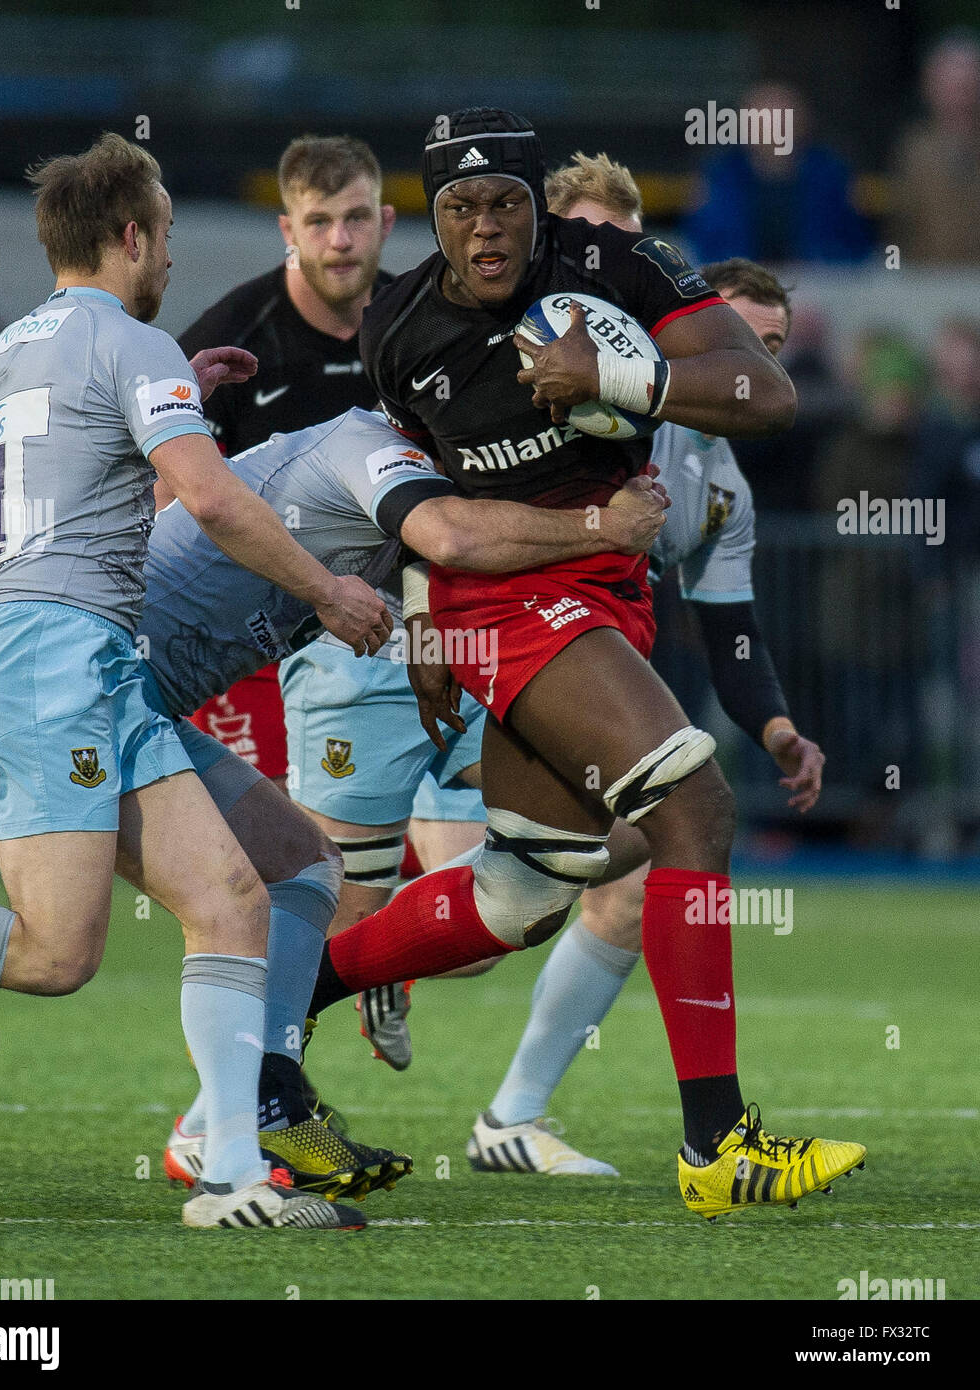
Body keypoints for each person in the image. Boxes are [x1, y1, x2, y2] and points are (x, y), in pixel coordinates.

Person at [301, 108, 866, 1221]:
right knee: (692, 808)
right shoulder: (401, 328)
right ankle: (719, 1143)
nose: (484, 228)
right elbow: (407, 490)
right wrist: (422, 613)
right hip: (504, 593)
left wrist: (624, 376)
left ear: (535, 205)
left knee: (524, 888)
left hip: (598, 588)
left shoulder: (613, 266)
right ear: (434, 214)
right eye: (458, 208)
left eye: (503, 203)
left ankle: (284, 998)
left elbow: (773, 394)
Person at [0, 405, 665, 1198]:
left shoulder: (394, 476)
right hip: (83, 688)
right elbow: (453, 536)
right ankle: (230, 1134)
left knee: (301, 868)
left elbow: (441, 556)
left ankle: (260, 1102)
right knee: (109, 939)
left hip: (94, 688)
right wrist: (601, 526)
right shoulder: (370, 449)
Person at [0, 132, 394, 1233]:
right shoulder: (133, 348)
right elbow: (211, 504)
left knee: (257, 884)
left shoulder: (14, 349)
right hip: (55, 668)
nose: (171, 254)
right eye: (166, 233)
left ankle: (231, 1177)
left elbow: (84, 460)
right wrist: (325, 588)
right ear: (131, 235)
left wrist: (177, 381)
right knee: (53, 954)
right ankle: (231, 1164)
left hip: (62, 662)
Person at [468, 176, 824, 1174]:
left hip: (573, 678)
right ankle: (265, 1061)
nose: (748, 366)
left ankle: (509, 1118)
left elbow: (733, 631)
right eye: (736, 339)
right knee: (468, 898)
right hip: (492, 656)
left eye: (769, 349)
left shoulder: (723, 488)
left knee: (613, 884)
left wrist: (780, 729)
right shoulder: (615, 416)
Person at [178, 134, 396, 788]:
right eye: (318, 222)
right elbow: (174, 502)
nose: (339, 242)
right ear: (287, 231)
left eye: (356, 218)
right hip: (254, 643)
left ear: (385, 221)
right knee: (277, 859)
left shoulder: (421, 327)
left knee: (386, 867)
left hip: (396, 630)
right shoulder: (230, 335)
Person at [683, 82, 870, 265]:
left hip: (820, 281)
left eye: (782, 120)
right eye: (762, 121)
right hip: (739, 279)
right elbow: (707, 243)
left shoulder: (830, 173)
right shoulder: (719, 174)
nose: (773, 131)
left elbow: (850, 243)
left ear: (804, 124)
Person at [888, 33, 980, 266]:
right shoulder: (912, 150)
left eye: (968, 86)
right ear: (929, 88)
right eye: (950, 86)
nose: (960, 98)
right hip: (926, 286)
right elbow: (898, 228)